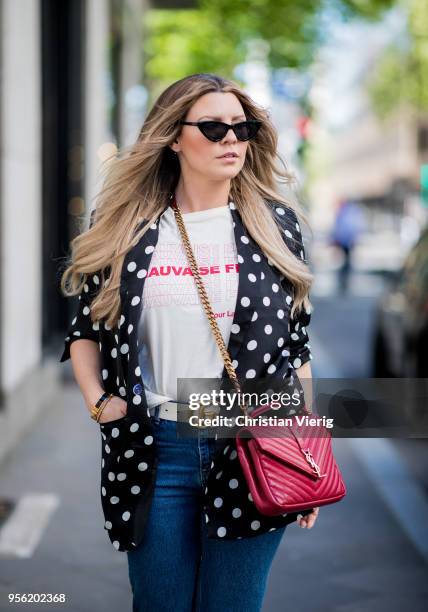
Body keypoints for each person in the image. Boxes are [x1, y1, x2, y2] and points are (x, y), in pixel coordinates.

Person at [59, 72, 319, 612]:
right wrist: (100, 404)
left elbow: (295, 351)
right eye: (213, 126)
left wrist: (304, 453)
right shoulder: (126, 227)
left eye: (241, 128)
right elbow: (86, 330)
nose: (231, 139)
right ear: (174, 137)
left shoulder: (276, 227)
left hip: (254, 443)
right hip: (156, 449)